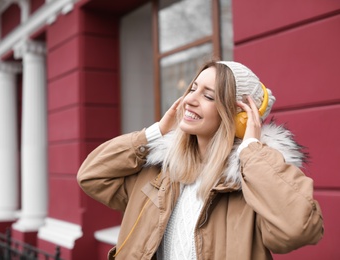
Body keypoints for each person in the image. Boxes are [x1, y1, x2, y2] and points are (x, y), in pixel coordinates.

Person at [77, 60, 324, 260]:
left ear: (239, 117)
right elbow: (91, 175)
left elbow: (298, 229)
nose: (189, 100)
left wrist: (252, 149)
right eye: (192, 89)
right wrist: (153, 134)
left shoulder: (250, 188)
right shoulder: (160, 174)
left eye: (208, 96)